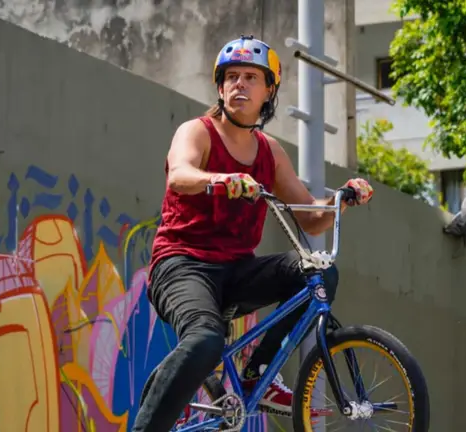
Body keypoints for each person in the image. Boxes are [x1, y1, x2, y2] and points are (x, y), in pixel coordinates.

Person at [131, 35, 374, 431]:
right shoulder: (198, 132)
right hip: (181, 266)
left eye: (250, 77)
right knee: (205, 340)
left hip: (237, 270)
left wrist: (342, 198)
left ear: (269, 91)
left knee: (319, 273)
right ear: (220, 87)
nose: (239, 85)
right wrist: (220, 179)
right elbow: (180, 175)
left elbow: (311, 217)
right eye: (231, 77)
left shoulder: (269, 152)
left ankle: (257, 373)